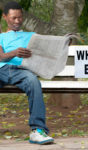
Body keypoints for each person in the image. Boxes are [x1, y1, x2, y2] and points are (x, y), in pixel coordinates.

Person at [0, 1, 54, 145]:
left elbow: (46, 53)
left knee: (33, 82)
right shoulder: (1, 37)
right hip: (2, 69)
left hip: (22, 71)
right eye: (13, 18)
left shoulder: (32, 36)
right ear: (5, 17)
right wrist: (14, 53)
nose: (17, 21)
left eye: (20, 17)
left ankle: (37, 131)